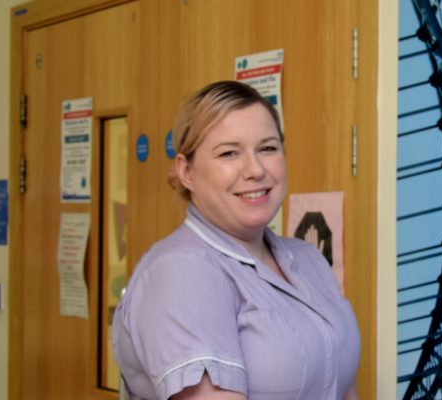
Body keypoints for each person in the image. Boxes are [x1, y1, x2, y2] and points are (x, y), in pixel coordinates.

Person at [112, 81, 361, 399]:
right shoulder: (182, 271)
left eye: (268, 148)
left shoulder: (307, 259)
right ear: (186, 171)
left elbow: (344, 385)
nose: (255, 169)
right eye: (229, 153)